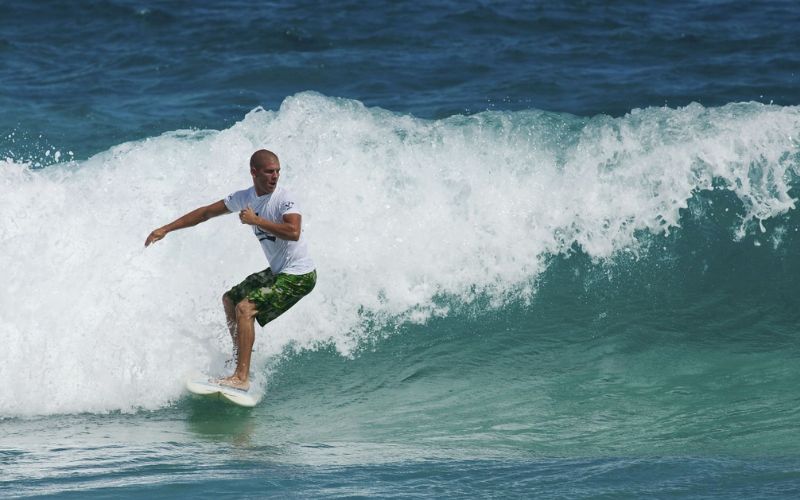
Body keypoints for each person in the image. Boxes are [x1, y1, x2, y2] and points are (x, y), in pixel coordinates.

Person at [145, 149, 316, 390]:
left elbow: (293, 232)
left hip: (300, 275)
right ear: (254, 172)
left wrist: (257, 221)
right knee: (231, 299)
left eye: (278, 171)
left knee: (245, 309)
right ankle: (239, 360)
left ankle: (241, 377)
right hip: (280, 271)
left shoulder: (286, 199)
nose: (275, 176)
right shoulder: (244, 197)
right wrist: (166, 228)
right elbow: (205, 213)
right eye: (269, 171)